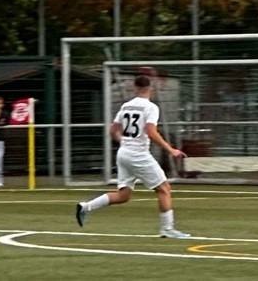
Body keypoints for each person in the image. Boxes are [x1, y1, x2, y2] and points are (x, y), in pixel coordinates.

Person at [75, 74, 189, 239]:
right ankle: (167, 229)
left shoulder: (126, 106)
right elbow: (151, 132)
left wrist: (126, 142)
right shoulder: (151, 107)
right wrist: (171, 150)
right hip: (138, 154)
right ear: (151, 88)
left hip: (124, 153)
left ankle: (86, 207)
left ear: (135, 88)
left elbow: (113, 131)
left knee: (123, 195)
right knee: (164, 189)